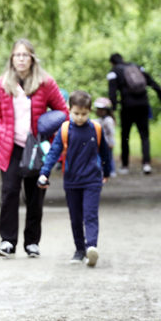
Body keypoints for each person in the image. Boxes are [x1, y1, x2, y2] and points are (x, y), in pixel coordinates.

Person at [0, 39, 68, 258]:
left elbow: (63, 113)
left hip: (37, 148)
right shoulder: (3, 83)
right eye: (17, 55)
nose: (21, 59)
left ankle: (32, 242)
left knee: (35, 195)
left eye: (25, 55)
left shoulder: (46, 83)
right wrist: (1, 133)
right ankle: (7, 241)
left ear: (32, 59)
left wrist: (50, 140)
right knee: (9, 193)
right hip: (10, 147)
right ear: (12, 59)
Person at [37, 90, 113, 267]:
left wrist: (106, 172)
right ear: (69, 110)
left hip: (92, 180)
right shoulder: (64, 130)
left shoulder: (96, 129)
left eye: (84, 114)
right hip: (71, 181)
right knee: (75, 217)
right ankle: (79, 250)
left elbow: (105, 154)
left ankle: (91, 247)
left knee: (90, 215)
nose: (80, 117)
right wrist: (44, 173)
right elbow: (53, 154)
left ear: (90, 111)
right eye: (76, 113)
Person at [107, 53, 161, 175]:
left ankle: (125, 166)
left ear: (112, 62)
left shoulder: (114, 72)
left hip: (127, 107)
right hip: (143, 105)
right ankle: (146, 164)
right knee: (144, 135)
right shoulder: (136, 67)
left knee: (125, 136)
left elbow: (112, 93)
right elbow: (152, 83)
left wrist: (112, 110)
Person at [93, 96, 117, 177]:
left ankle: (111, 171)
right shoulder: (100, 119)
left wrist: (111, 142)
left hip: (108, 143)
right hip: (101, 142)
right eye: (98, 109)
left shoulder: (108, 120)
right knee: (102, 157)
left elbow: (111, 132)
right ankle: (103, 170)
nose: (99, 111)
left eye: (101, 109)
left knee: (109, 157)